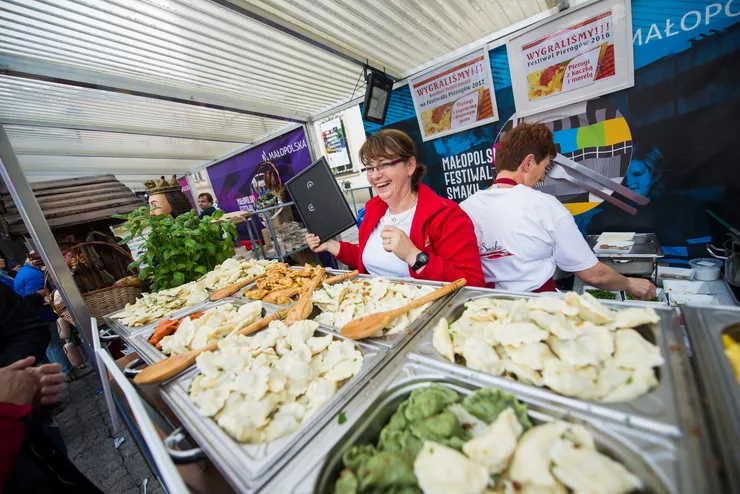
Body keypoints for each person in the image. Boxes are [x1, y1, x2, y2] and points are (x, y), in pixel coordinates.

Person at [461, 122, 657, 299]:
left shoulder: (465, 207)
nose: (541, 178)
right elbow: (594, 276)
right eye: (544, 168)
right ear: (528, 163)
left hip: (486, 310)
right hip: (536, 310)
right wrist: (630, 283)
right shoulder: (543, 205)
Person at [306, 129, 485, 286]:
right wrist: (332, 246)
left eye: (384, 164)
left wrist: (415, 257)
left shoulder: (446, 216)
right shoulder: (373, 211)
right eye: (369, 168)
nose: (375, 175)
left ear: (410, 166)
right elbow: (369, 259)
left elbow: (473, 283)